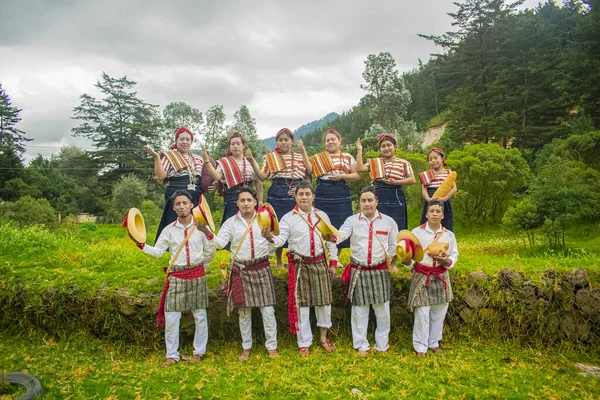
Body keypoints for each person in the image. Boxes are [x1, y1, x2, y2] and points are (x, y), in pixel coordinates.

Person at [129, 190, 215, 367]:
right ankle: (172, 355)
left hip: (197, 274)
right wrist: (141, 245)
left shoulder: (201, 227)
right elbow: (159, 252)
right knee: (172, 316)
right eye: (178, 204)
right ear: (174, 207)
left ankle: (199, 352)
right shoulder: (168, 230)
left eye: (185, 203)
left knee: (200, 315)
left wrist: (203, 268)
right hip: (176, 274)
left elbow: (210, 250)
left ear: (192, 205)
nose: (182, 206)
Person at [261, 181, 338, 356]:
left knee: (324, 303)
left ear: (313, 197)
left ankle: (324, 338)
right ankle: (304, 343)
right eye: (300, 194)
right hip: (300, 266)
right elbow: (281, 241)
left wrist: (333, 263)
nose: (304, 197)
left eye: (307, 194)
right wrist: (270, 238)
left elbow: (330, 240)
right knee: (302, 305)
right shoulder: (288, 218)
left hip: (319, 264)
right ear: (295, 197)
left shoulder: (322, 216)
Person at [214, 186, 279, 360]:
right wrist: (206, 231)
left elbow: (277, 243)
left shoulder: (265, 220)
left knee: (268, 310)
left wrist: (269, 238)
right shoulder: (230, 222)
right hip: (241, 271)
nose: (246, 203)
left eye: (249, 200)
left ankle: (272, 347)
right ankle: (246, 347)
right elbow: (220, 243)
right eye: (242, 200)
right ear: (237, 203)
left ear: (255, 202)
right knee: (243, 311)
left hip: (261, 267)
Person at [334, 187, 398, 356]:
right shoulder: (351, 221)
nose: (367, 204)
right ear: (359, 203)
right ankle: (361, 344)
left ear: (377, 201)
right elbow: (340, 235)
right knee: (359, 311)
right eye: (363, 201)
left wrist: (391, 262)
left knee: (382, 311)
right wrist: (331, 237)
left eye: (370, 200)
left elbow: (393, 246)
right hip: (359, 270)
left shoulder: (389, 222)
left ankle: (382, 345)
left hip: (380, 271)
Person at [247, 128, 312, 268]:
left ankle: (297, 257)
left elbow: (309, 172)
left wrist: (300, 190)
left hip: (296, 193)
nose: (283, 143)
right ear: (277, 142)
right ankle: (278, 260)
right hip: (276, 192)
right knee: (276, 225)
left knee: (297, 224)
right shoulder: (270, 158)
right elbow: (263, 177)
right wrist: (252, 161)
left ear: (292, 141)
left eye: (286, 140)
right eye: (280, 140)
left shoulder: (300, 157)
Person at [406, 199, 458, 357]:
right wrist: (407, 262)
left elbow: (454, 254)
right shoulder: (416, 233)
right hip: (422, 275)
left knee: (439, 311)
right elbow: (411, 255)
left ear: (443, 215)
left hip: (440, 275)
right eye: (432, 211)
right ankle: (420, 347)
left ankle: (434, 343)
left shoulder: (449, 235)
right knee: (422, 311)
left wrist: (447, 261)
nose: (435, 214)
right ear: (426, 214)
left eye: (438, 211)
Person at [145, 127, 204, 243]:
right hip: (176, 193)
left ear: (191, 142)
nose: (185, 142)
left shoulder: (198, 159)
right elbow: (161, 176)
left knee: (195, 224)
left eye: (188, 139)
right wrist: (156, 157)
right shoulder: (169, 157)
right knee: (175, 223)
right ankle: (175, 250)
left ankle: (194, 249)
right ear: (176, 141)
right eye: (182, 139)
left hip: (195, 196)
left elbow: (203, 178)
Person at [355, 134, 416, 231]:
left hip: (396, 196)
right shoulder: (376, 163)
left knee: (396, 226)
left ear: (395, 147)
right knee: (378, 225)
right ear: (380, 149)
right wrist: (359, 150)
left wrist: (395, 182)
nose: (386, 148)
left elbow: (412, 179)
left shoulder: (403, 163)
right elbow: (359, 168)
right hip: (378, 196)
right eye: (383, 146)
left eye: (389, 145)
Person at [313, 128, 360, 249]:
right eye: (327, 140)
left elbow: (356, 175)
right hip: (322, 190)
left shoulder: (347, 156)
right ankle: (322, 253)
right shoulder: (319, 158)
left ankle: (337, 256)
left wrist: (342, 176)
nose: (330, 142)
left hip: (341, 191)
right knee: (321, 222)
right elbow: (310, 172)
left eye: (333, 139)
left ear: (340, 141)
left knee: (341, 222)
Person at [201, 131, 263, 225]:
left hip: (249, 198)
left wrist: (260, 200)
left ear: (243, 145)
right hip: (232, 198)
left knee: (250, 226)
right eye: (232, 144)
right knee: (231, 227)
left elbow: (258, 182)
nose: (235, 146)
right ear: (229, 147)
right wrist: (207, 162)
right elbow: (216, 176)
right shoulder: (225, 162)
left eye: (238, 143)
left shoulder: (251, 162)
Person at [419, 148, 457, 232]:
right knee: (427, 224)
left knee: (445, 224)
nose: (433, 161)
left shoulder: (448, 173)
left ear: (442, 158)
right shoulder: (427, 174)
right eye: (430, 159)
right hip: (430, 199)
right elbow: (424, 189)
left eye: (435, 158)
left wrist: (444, 199)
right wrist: (428, 199)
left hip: (444, 201)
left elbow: (454, 188)